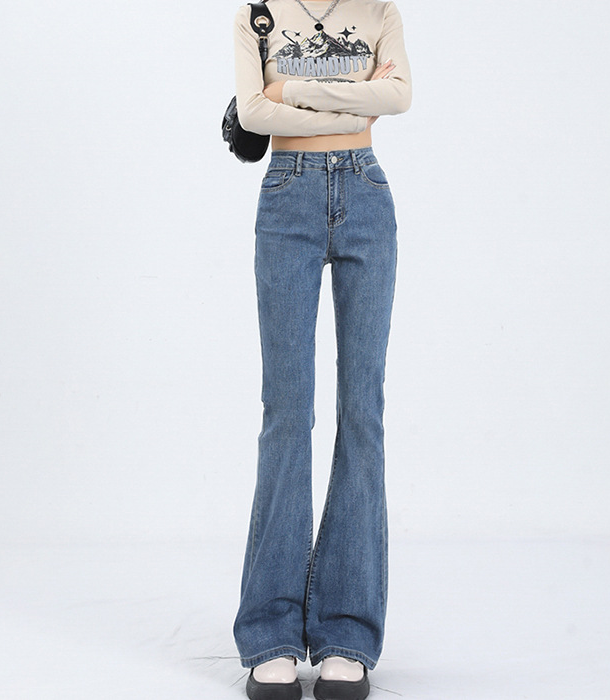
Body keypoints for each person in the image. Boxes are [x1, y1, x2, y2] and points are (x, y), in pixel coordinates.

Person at [230, 0, 411, 697]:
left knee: (363, 413)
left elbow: (400, 99)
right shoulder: (257, 14)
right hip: (287, 195)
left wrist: (290, 90)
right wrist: (353, 97)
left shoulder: (381, 10)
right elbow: (254, 114)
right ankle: (270, 631)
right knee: (287, 413)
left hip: (366, 194)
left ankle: (349, 633)